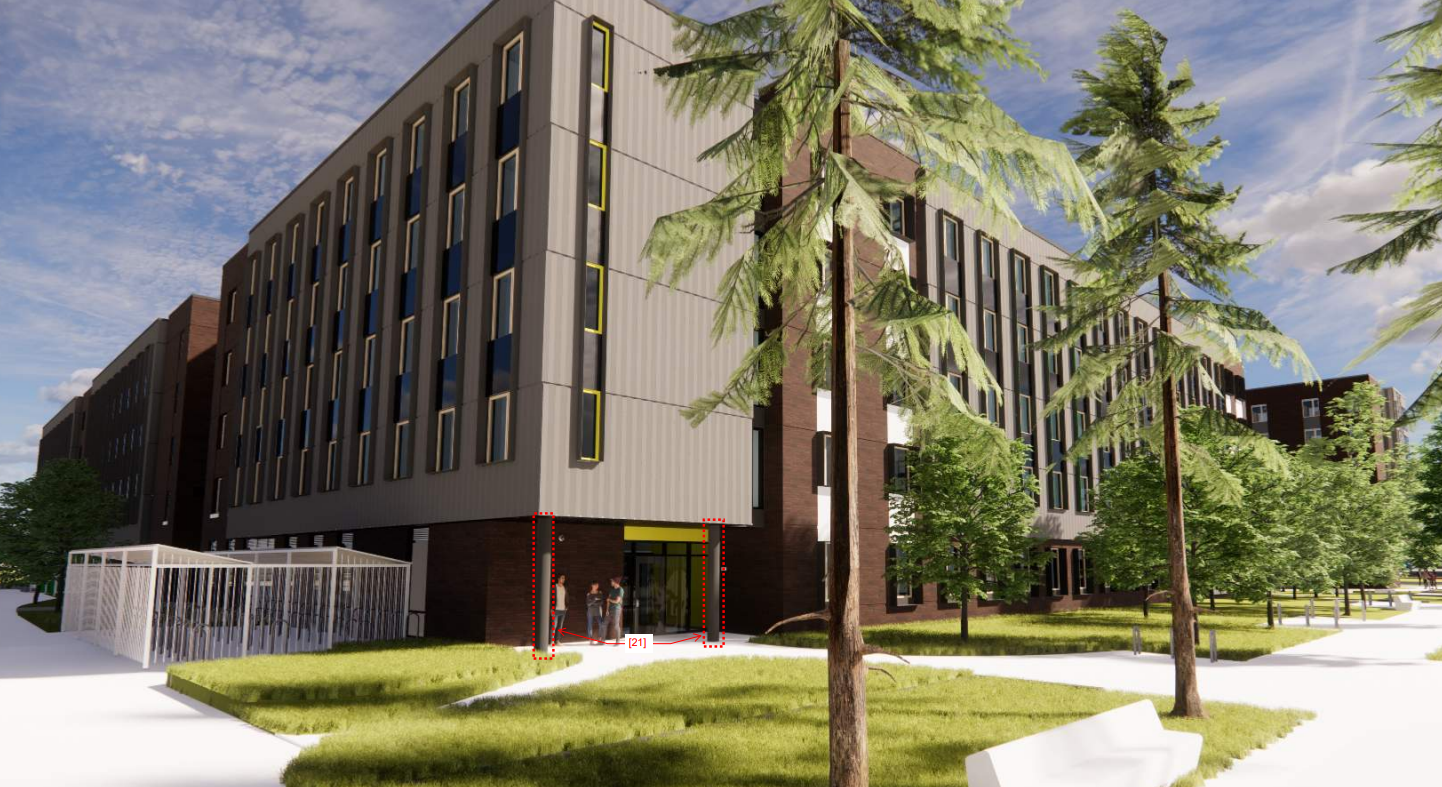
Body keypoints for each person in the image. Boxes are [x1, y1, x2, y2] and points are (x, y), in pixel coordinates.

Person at [606, 576, 625, 641]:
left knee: (616, 625)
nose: (611, 582)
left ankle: (618, 641)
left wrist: (610, 600)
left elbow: (617, 601)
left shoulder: (620, 590)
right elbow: (608, 601)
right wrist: (607, 610)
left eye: (612, 581)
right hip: (610, 609)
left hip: (616, 609)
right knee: (604, 624)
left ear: (615, 582)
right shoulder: (611, 590)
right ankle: (602, 641)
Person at [551, 574, 568, 645]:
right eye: (562, 578)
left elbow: (567, 597)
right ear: (558, 579)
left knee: (560, 626)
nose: (563, 579)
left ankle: (557, 641)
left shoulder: (565, 587)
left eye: (564, 578)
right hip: (556, 609)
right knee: (554, 626)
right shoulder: (554, 587)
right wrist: (551, 608)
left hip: (563, 609)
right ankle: (552, 641)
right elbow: (551, 598)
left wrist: (567, 606)